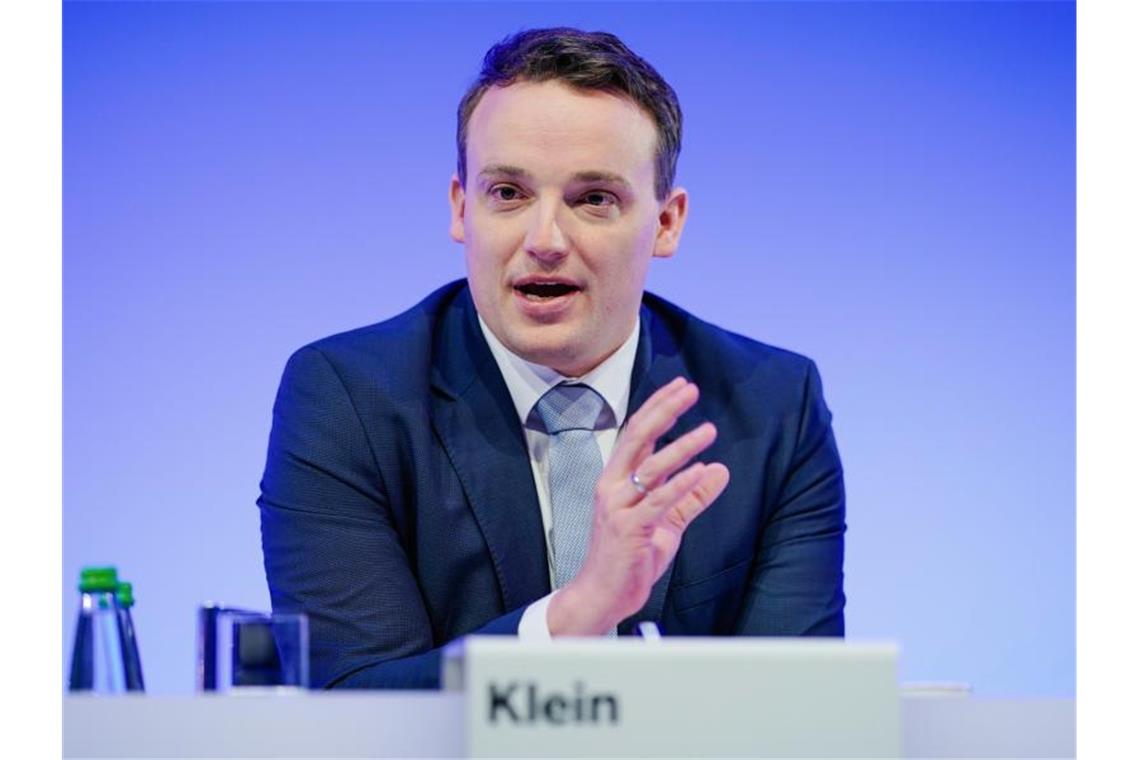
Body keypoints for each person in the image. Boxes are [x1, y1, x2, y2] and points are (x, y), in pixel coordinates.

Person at [258, 27, 846, 690]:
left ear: (668, 223)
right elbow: (352, 702)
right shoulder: (349, 400)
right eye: (508, 193)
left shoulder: (772, 407)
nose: (544, 240)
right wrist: (575, 616)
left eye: (594, 199)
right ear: (461, 209)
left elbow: (800, 705)